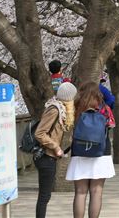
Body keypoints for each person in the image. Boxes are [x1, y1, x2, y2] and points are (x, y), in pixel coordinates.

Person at [66, 82, 115, 218]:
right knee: (96, 192)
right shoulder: (104, 108)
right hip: (101, 152)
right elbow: (111, 125)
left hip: (79, 151)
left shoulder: (76, 109)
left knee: (80, 192)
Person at [34, 82, 77, 218]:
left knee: (45, 195)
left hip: (50, 157)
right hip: (45, 156)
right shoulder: (54, 109)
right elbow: (40, 133)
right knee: (44, 195)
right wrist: (56, 147)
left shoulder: (61, 109)